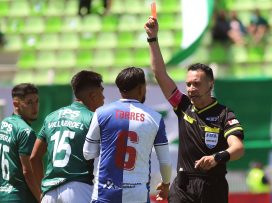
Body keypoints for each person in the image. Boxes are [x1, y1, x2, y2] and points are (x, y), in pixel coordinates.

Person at [144, 17, 245, 203]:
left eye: (196, 84)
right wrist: (152, 38)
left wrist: (216, 157)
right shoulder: (183, 106)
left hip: (212, 188)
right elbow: (159, 74)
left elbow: (238, 148)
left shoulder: (224, 114)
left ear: (210, 84)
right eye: (188, 84)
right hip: (182, 187)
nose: (191, 88)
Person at [83, 67, 172, 202]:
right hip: (138, 195)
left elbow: (88, 153)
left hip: (105, 193)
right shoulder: (155, 117)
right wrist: (165, 184)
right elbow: (165, 161)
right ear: (142, 88)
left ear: (119, 89)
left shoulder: (101, 113)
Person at [30, 70, 104, 203]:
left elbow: (34, 157)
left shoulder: (51, 117)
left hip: (49, 193)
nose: (103, 98)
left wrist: (42, 189)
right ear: (93, 95)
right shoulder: (93, 119)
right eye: (101, 92)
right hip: (78, 188)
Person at [0, 83, 41, 203]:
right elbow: (28, 172)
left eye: (36, 101)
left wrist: (5, 190)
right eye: (29, 102)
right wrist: (42, 199)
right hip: (22, 198)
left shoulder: (3, 124)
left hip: (3, 197)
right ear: (16, 104)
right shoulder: (26, 132)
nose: (35, 107)